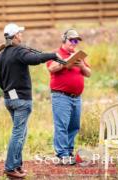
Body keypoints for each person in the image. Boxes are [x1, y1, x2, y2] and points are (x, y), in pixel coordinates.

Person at [0, 23, 64, 178]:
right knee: (18, 134)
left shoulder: (1, 54)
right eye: (19, 33)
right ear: (15, 36)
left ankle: (17, 165)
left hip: (10, 100)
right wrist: (53, 55)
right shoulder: (19, 51)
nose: (21, 35)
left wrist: (9, 90)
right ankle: (10, 167)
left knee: (21, 133)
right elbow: (35, 59)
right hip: (22, 101)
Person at [46, 29, 91, 165]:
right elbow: (51, 68)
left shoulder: (78, 55)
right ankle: (62, 154)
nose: (74, 43)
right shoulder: (56, 54)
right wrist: (66, 62)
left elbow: (89, 73)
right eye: (72, 40)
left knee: (74, 125)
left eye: (76, 41)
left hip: (76, 97)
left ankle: (69, 152)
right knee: (62, 125)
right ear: (64, 40)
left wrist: (82, 65)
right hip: (61, 96)